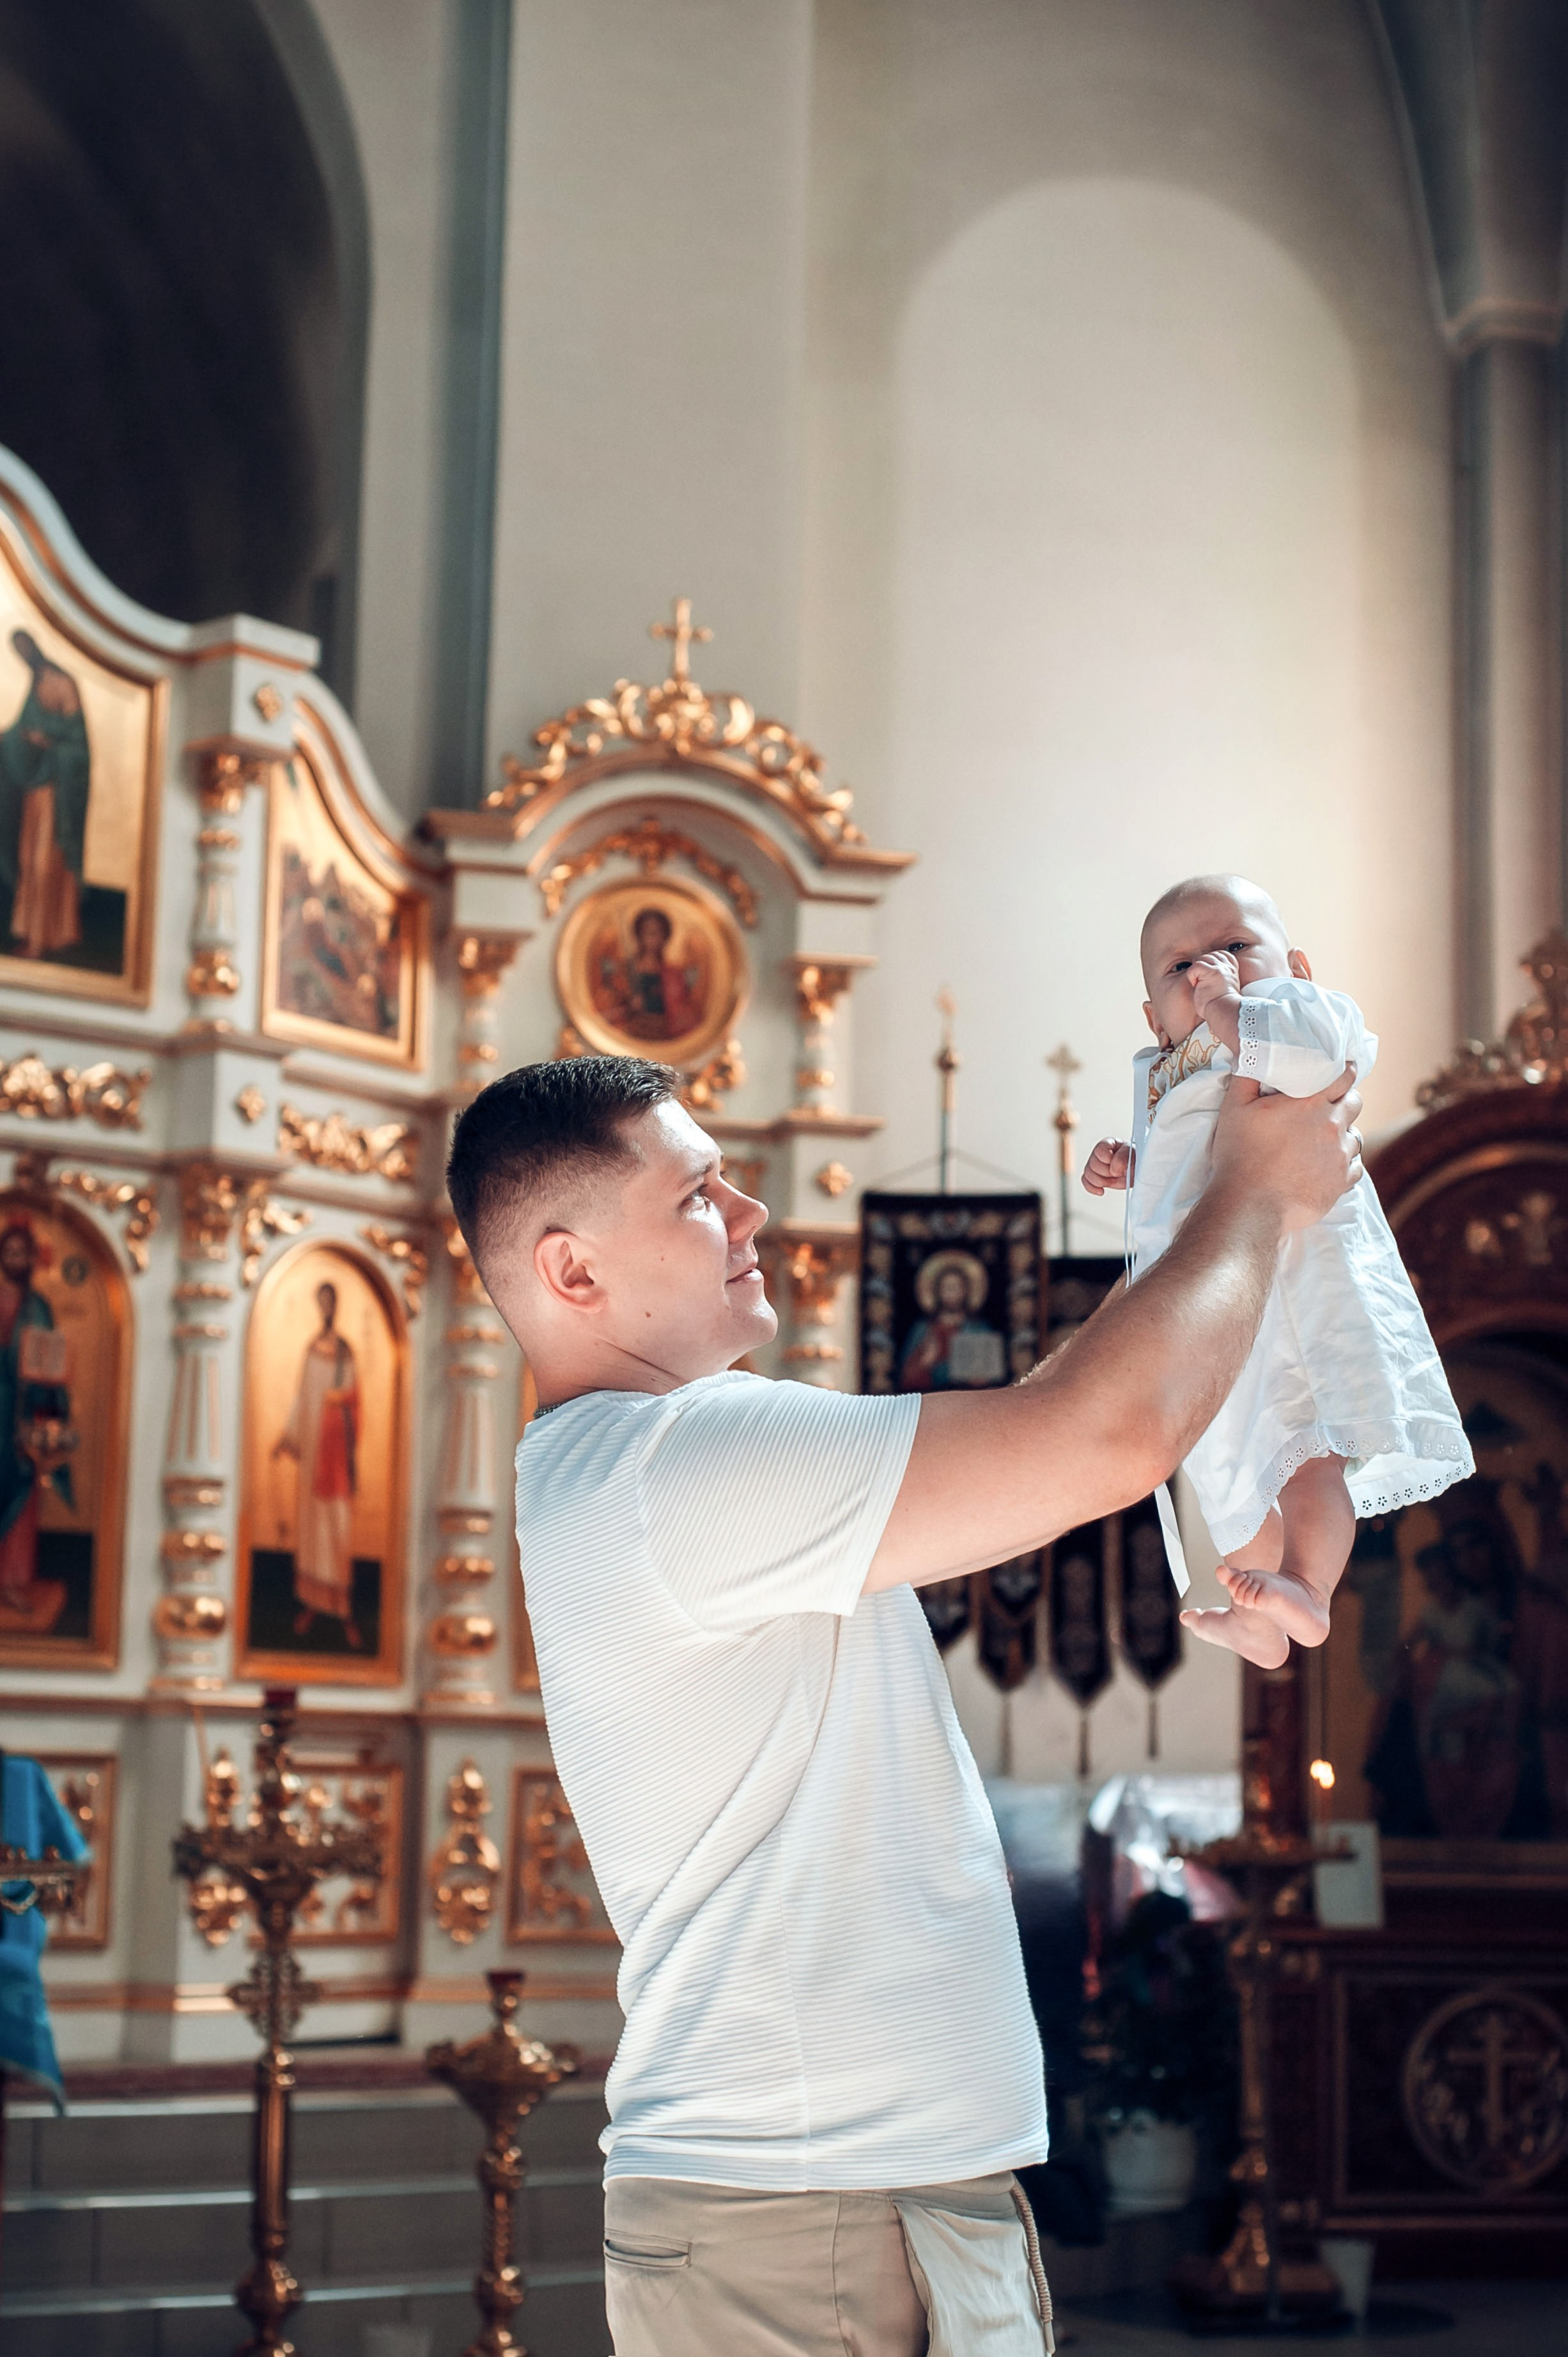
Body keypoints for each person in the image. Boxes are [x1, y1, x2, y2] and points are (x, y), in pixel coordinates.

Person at [446, 1044, 1362, 2356]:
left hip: (873, 2182)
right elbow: (1099, 1432)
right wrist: (1253, 1183)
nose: (749, 1212)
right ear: (572, 1269)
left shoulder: (682, 1451)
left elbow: (1059, 1429)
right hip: (799, 2206)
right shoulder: (666, 1464)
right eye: (700, 1194)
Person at [1082, 874, 1471, 1669]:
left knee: (1305, 1449)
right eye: (1179, 968)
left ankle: (1310, 1588)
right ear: (1154, 1021)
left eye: (1233, 947)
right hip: (1217, 1300)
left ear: (1293, 962)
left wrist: (1231, 1010)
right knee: (1234, 1469)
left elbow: (1310, 1063)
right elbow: (1188, 1175)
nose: (1206, 971)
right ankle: (1262, 1620)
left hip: (1298, 1288)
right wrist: (1131, 1164)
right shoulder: (1169, 1074)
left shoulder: (1302, 1014)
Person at [271, 1280, 362, 1647]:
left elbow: (356, 1399)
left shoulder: (345, 1352)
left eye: (330, 1302)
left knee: (338, 1528)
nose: (325, 1308)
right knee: (312, 1530)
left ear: (336, 1306)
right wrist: (288, 1437)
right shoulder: (312, 1349)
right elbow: (300, 1399)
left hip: (336, 1452)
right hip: (312, 1452)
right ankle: (312, 1603)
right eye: (320, 1302)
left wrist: (338, 1398)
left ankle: (342, 1607)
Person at [0, 631, 90, 961]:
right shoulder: (35, 685)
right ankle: (29, 935)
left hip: (59, 793)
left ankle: (47, 937)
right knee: (28, 860)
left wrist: (47, 741)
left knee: (43, 863)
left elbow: (77, 745)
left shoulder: (62, 683)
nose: (25, 656)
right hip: (36, 788)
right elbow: (21, 731)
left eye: (26, 649)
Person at [0, 1220, 72, 1630]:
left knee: (23, 1495)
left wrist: (52, 1397)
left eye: (22, 1253)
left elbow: (51, 1359)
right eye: (9, 1252)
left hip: (24, 1413)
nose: (16, 1260)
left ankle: (12, 1582)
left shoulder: (38, 1306)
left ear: (31, 1259)